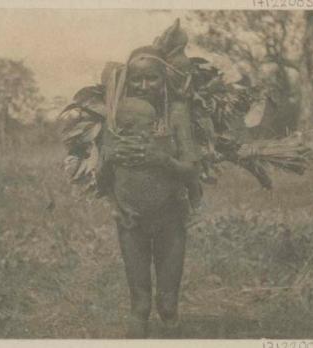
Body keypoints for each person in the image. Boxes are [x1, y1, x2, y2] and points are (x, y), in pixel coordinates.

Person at [96, 45, 201, 338]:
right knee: (139, 306)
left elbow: (193, 169)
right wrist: (117, 205)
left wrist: (162, 159)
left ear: (164, 78)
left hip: (170, 220)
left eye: (152, 78)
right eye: (136, 80)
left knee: (168, 305)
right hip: (131, 223)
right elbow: (102, 175)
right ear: (126, 80)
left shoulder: (176, 114)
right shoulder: (117, 115)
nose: (144, 86)